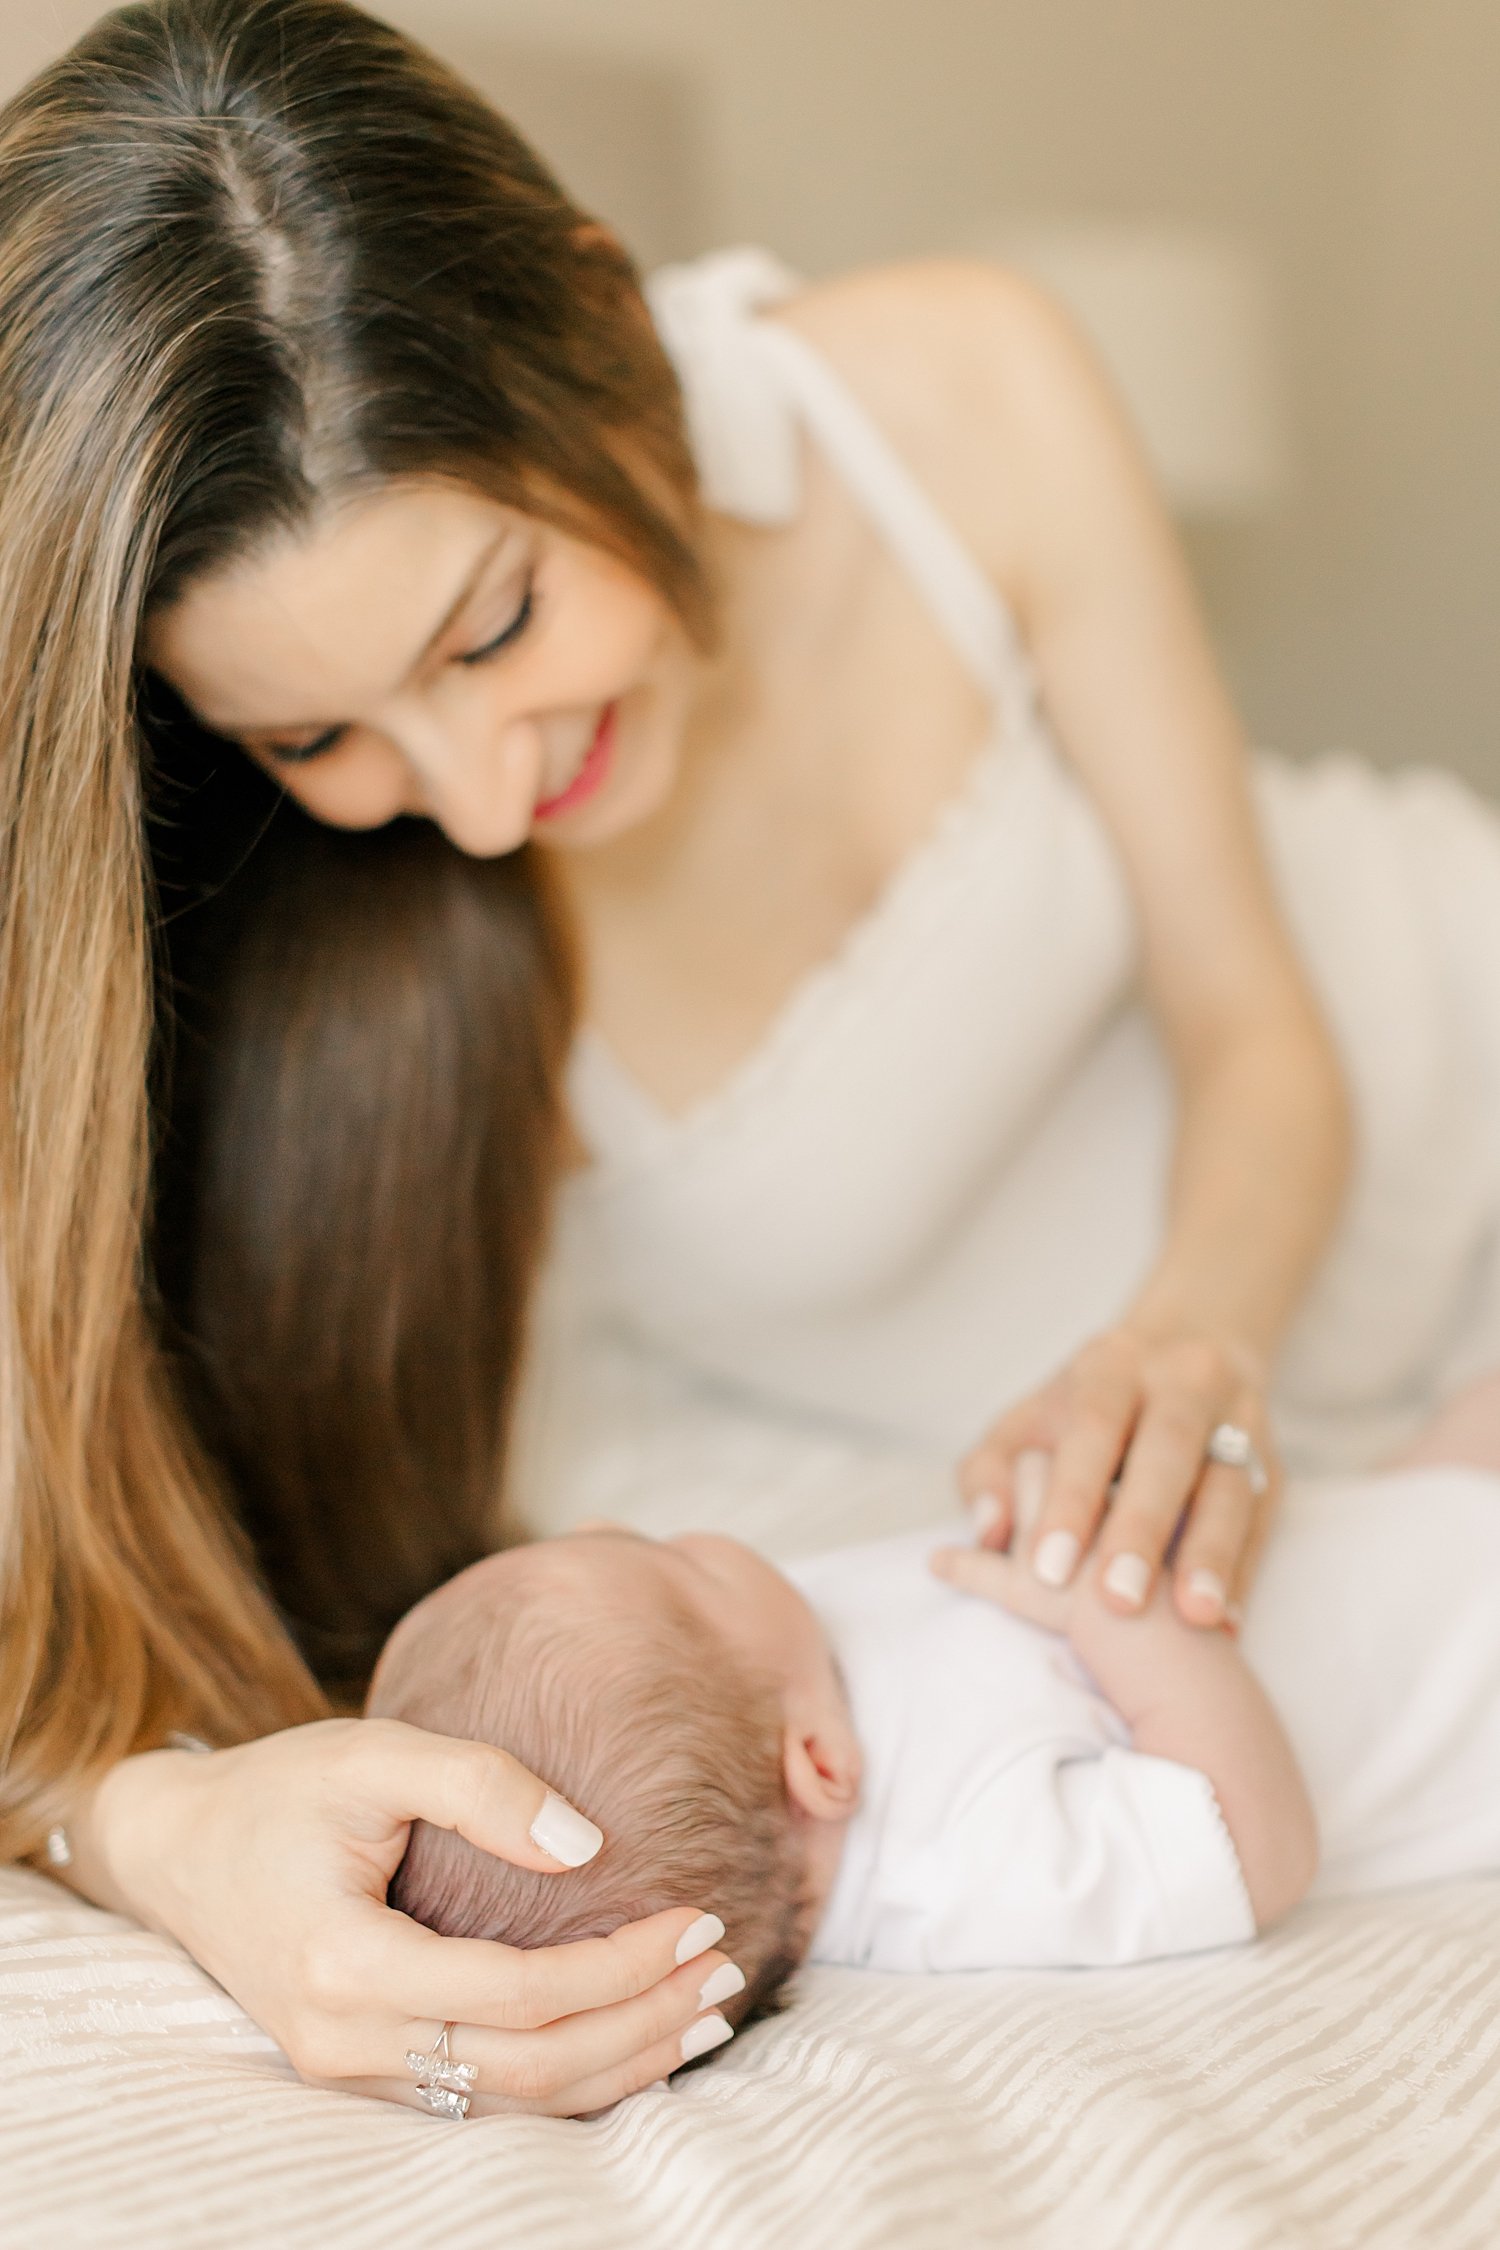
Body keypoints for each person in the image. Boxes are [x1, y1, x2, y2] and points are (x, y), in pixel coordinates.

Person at [5, 0, 1500, 2124]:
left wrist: (1191, 1339)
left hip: (1413, 1082)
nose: (481, 802)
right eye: (315, 737)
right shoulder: (250, 929)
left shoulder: (955, 386)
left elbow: (1260, 1026)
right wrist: (157, 1834)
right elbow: (58, 1573)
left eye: (495, 623)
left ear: (600, 331)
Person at [371, 1400, 1500, 2074]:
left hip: (1383, 1530)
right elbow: (1253, 1846)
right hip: (1460, 1688)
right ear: (818, 1765)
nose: (610, 1524)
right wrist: (1121, 1608)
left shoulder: (758, 1683)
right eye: (675, 1561)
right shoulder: (957, 1860)